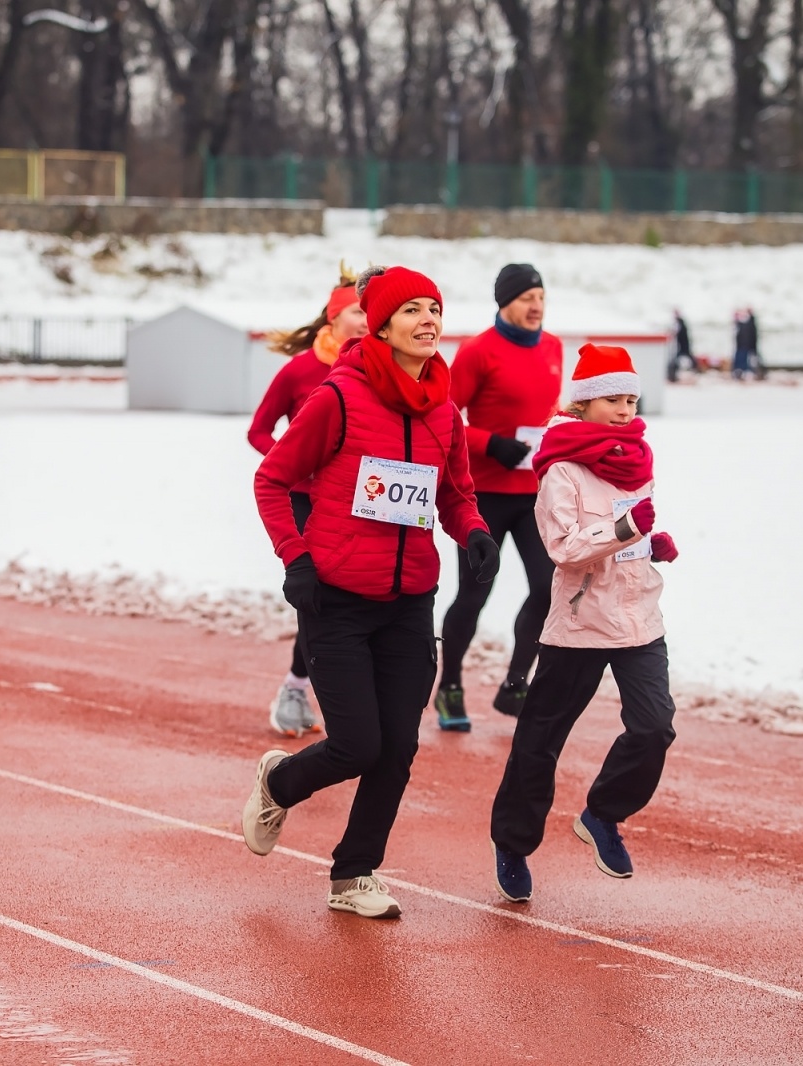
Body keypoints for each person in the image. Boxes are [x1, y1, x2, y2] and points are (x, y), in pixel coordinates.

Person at [246, 265, 498, 919]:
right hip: (337, 598)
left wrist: (472, 533)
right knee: (360, 744)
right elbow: (272, 480)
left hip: (411, 599)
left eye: (435, 309)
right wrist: (295, 558)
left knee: (399, 746)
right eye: (412, 309)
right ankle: (280, 780)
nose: (428, 320)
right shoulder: (339, 398)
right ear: (381, 325)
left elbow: (455, 494)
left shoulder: (444, 410)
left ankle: (354, 873)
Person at [487, 345, 679, 903]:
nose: (625, 410)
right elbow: (563, 548)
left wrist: (650, 544)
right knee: (541, 740)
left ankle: (603, 814)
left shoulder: (636, 457)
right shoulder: (562, 470)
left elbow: (633, 528)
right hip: (579, 624)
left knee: (654, 726)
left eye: (631, 399)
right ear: (585, 402)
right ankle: (514, 843)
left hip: (640, 617)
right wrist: (625, 530)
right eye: (613, 400)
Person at [434, 263, 563, 731]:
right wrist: (492, 445)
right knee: (473, 594)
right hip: (482, 493)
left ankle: (514, 686)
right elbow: (444, 415)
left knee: (549, 588)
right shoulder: (477, 352)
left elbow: (547, 412)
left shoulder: (552, 348)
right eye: (527, 298)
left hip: (533, 494)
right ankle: (449, 684)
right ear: (504, 301)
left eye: (542, 298)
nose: (536, 307)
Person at [249, 269, 366, 736]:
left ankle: (331, 688)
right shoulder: (300, 371)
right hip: (302, 500)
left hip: (358, 500)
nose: (364, 321)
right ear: (335, 317)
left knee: (353, 596)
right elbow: (258, 430)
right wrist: (294, 463)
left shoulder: (373, 371)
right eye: (357, 312)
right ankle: (297, 687)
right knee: (317, 596)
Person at [732, 307, 759, 380]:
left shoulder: (746, 324)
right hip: (743, 346)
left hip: (744, 346)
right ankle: (742, 372)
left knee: (745, 360)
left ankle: (744, 372)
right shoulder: (743, 324)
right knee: (744, 360)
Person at [668, 309, 695, 382]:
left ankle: (672, 376)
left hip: (681, 346)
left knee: (678, 359)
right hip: (682, 345)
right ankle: (673, 376)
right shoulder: (681, 323)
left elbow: (674, 333)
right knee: (687, 358)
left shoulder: (679, 323)